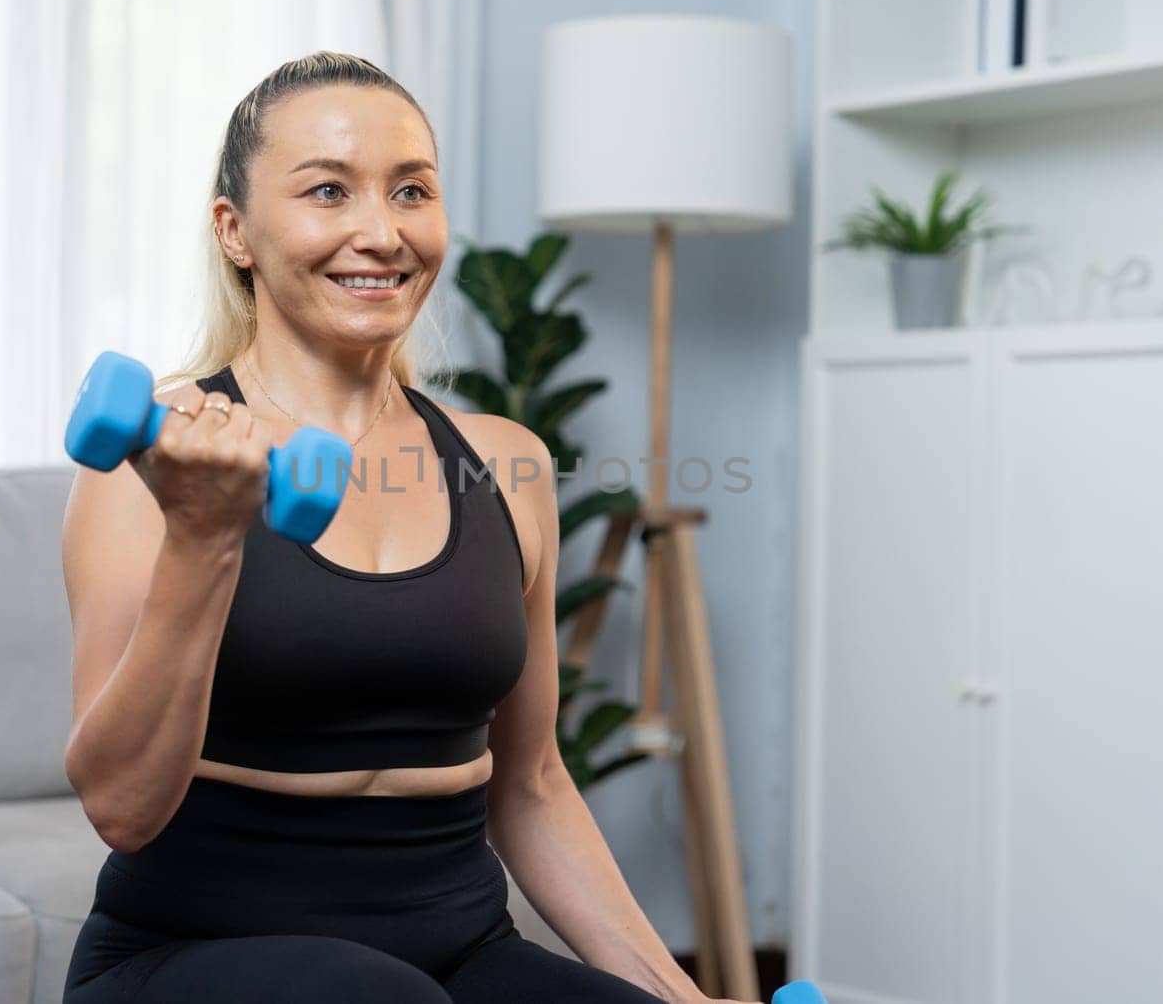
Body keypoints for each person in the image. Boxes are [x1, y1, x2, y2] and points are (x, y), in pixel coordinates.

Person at [59, 51, 748, 1004]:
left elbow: (533, 781)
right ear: (236, 230)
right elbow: (119, 807)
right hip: (191, 952)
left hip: (458, 951)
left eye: (412, 191)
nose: (380, 232)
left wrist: (683, 993)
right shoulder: (165, 459)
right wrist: (206, 535)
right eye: (329, 191)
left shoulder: (509, 464)